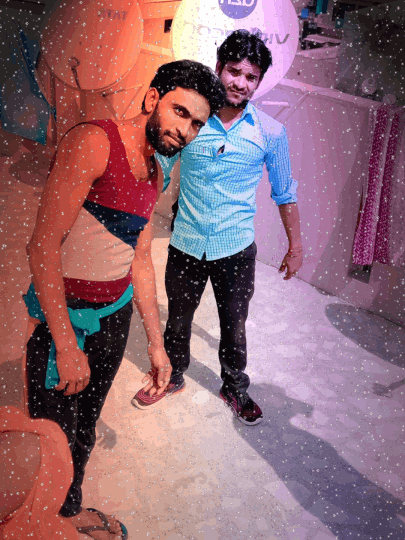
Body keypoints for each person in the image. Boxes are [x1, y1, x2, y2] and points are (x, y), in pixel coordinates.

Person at [25, 59, 226, 539]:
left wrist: (156, 345)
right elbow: (42, 246)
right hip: (65, 321)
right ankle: (38, 522)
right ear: (153, 98)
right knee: (50, 440)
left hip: (113, 319)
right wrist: (65, 344)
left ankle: (67, 514)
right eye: (180, 112)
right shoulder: (94, 142)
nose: (186, 130)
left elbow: (139, 261)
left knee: (85, 428)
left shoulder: (157, 172)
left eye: (197, 124)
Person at [132, 30, 303, 427]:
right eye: (234, 72)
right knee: (178, 319)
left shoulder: (270, 133)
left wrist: (295, 247)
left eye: (251, 76)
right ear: (219, 68)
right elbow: (158, 169)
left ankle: (234, 386)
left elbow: (285, 192)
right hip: (186, 241)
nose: (241, 83)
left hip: (236, 249)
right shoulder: (193, 123)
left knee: (234, 325)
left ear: (259, 82)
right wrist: (133, 219)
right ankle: (172, 375)